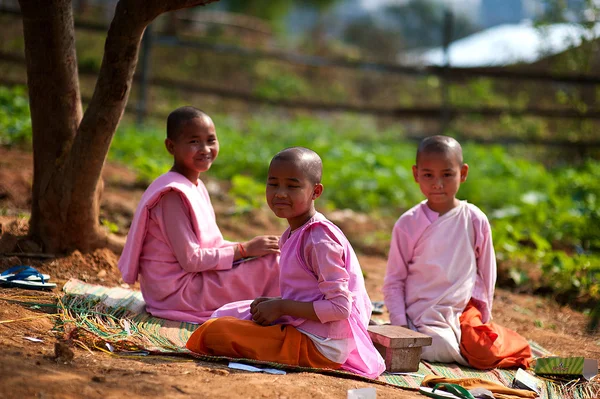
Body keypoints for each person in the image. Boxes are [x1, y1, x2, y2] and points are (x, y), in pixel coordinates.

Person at [186, 147, 386, 379]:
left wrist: (281, 307)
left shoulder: (320, 238)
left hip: (322, 345)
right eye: (273, 184)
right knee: (226, 313)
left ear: (316, 191)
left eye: (292, 186)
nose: (280, 193)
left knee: (214, 332)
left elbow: (341, 308)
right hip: (307, 329)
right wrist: (275, 304)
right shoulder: (294, 232)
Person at [117, 106, 280, 324]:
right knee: (274, 266)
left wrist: (251, 249)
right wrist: (244, 249)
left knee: (273, 256)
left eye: (211, 140)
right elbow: (192, 260)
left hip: (193, 281)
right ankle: (284, 317)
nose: (205, 149)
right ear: (171, 146)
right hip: (177, 293)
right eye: (194, 141)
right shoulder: (172, 195)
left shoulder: (196, 185)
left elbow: (213, 245)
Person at [383, 135, 532, 369]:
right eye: (428, 175)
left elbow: (487, 272)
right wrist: (400, 327)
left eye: (447, 174)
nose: (437, 184)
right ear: (415, 174)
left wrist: (484, 315)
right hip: (421, 310)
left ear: (462, 173)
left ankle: (508, 343)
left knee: (484, 351)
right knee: (436, 344)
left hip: (463, 307)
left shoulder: (474, 218)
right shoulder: (408, 223)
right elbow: (394, 280)